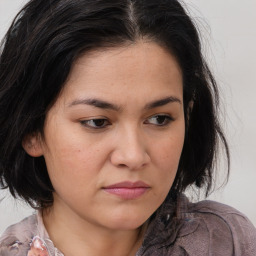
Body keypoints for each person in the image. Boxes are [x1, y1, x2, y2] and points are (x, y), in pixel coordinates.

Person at [0, 0, 255, 255]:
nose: (133, 156)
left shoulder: (229, 243)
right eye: (97, 122)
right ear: (30, 129)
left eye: (160, 119)